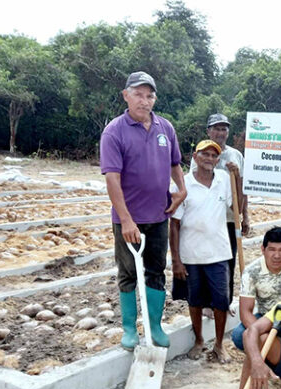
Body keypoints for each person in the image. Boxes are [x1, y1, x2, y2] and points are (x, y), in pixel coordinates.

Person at [100, 71, 186, 351]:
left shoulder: (166, 128)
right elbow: (112, 178)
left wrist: (181, 189)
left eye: (149, 95)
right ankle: (128, 328)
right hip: (129, 220)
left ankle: (155, 325)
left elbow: (175, 163)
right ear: (126, 96)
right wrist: (126, 220)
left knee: (156, 271)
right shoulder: (115, 131)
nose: (144, 100)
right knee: (127, 273)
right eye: (138, 94)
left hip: (159, 216)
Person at [170, 140, 234, 364]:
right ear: (195, 157)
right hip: (191, 254)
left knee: (221, 301)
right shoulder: (182, 184)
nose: (209, 158)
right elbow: (174, 225)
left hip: (219, 253)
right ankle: (198, 340)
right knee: (194, 300)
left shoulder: (225, 180)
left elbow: (236, 206)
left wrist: (238, 176)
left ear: (218, 160)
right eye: (204, 154)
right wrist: (176, 260)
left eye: (213, 155)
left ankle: (218, 344)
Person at [190, 113, 249, 306]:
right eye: (216, 128)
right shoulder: (201, 153)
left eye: (224, 129)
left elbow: (243, 189)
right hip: (206, 219)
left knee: (228, 261)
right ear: (208, 131)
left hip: (229, 219)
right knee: (205, 260)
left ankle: (224, 301)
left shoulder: (235, 155)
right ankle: (206, 304)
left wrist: (245, 216)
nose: (220, 132)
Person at [231, 226, 281, 351]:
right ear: (263, 250)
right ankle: (276, 348)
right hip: (267, 319)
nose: (277, 255)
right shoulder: (251, 272)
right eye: (272, 249)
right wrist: (261, 332)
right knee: (239, 335)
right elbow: (245, 312)